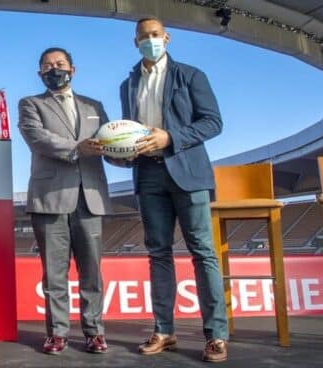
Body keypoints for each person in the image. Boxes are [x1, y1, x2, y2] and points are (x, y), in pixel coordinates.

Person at [117, 16, 229, 363]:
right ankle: (164, 330)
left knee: (203, 253)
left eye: (154, 35)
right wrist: (122, 152)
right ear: (135, 41)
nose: (149, 40)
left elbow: (213, 122)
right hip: (148, 174)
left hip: (188, 172)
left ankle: (216, 335)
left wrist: (171, 137)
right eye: (143, 36)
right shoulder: (128, 83)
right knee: (158, 254)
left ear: (166, 38)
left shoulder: (191, 75)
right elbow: (129, 130)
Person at [18, 47, 112, 355]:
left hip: (90, 198)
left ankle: (94, 332)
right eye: (47, 66)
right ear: (39, 73)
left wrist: (130, 150)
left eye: (60, 64)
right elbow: (38, 139)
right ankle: (57, 332)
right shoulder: (31, 104)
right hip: (50, 199)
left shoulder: (94, 106)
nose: (54, 69)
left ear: (73, 68)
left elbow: (110, 141)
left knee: (92, 273)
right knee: (54, 274)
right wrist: (78, 147)